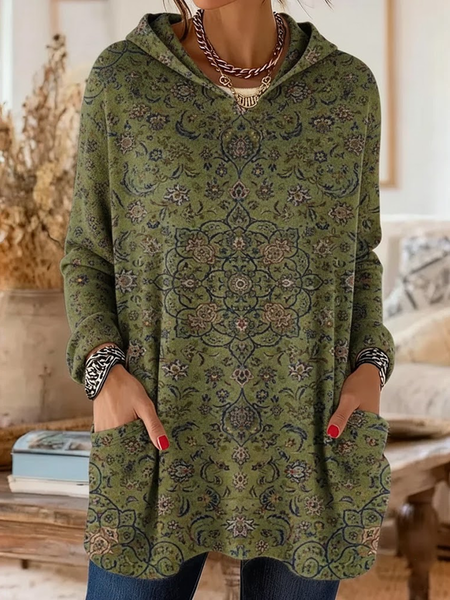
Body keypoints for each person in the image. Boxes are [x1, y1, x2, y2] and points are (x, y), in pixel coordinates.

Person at [60, 0, 396, 598]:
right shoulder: (126, 79)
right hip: (156, 431)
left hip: (308, 438)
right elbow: (88, 252)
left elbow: (358, 257)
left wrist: (370, 366)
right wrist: (103, 374)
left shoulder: (346, 91)